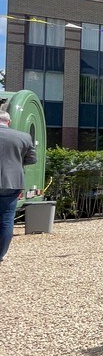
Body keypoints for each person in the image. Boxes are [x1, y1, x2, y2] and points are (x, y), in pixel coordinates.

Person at [0, 110, 37, 265]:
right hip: (12, 182)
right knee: (7, 219)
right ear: (9, 122)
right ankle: (0, 254)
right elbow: (32, 159)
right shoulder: (24, 137)